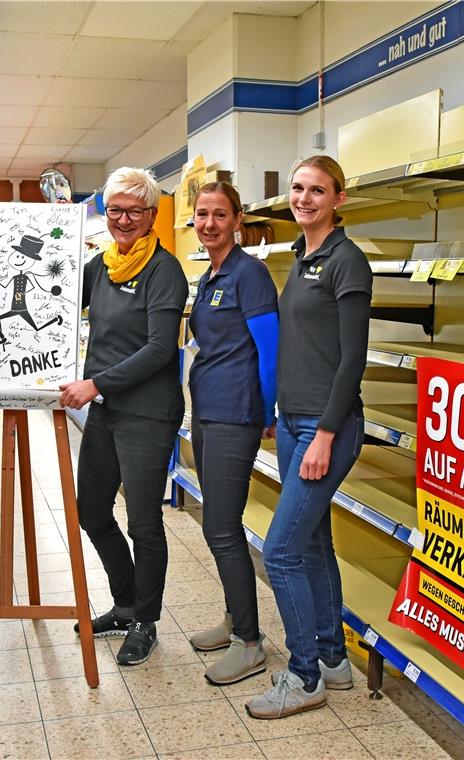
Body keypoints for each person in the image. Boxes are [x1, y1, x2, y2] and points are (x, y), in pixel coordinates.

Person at [245, 156, 372, 719]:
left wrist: (324, 432)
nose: (304, 198)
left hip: (327, 426)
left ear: (338, 198)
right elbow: (300, 346)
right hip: (294, 420)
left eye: (317, 190)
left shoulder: (348, 262)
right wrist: (278, 410)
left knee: (281, 551)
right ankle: (333, 658)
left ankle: (303, 677)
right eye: (297, 188)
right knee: (314, 542)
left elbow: (351, 360)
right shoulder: (301, 257)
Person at [59, 167, 188, 666]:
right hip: (108, 412)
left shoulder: (164, 270)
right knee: (90, 511)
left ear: (152, 215)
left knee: (143, 522)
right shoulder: (101, 266)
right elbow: (58, 300)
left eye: (135, 211)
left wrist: (95, 384)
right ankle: (126, 600)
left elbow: (160, 349)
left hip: (147, 414)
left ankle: (145, 620)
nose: (124, 219)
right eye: (115, 210)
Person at [185, 182, 278, 685]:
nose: (210, 224)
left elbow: (269, 348)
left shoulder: (251, 274)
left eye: (220, 215)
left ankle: (249, 642)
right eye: (202, 214)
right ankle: (232, 617)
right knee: (215, 523)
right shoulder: (211, 275)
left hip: (235, 412)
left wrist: (265, 408)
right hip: (207, 409)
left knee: (221, 526)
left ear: (238, 219)